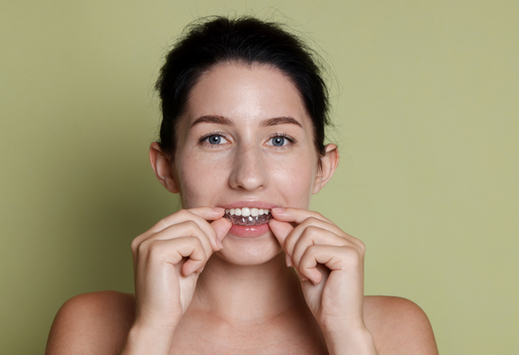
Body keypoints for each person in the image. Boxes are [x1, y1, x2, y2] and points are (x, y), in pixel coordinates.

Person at [45, 16, 438, 354]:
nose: (249, 177)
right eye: (214, 138)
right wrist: (150, 333)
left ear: (323, 166)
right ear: (166, 165)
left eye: (279, 139)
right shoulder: (91, 325)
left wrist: (347, 336)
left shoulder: (394, 330)